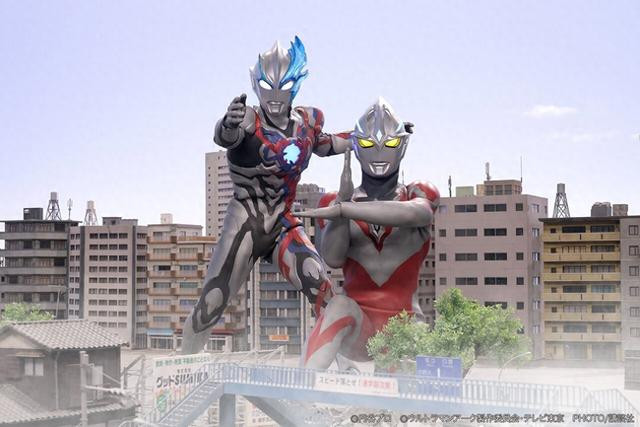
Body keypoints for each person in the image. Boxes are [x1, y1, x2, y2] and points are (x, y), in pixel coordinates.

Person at [181, 37, 351, 354]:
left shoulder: (307, 123)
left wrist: (367, 138)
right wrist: (227, 123)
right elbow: (226, 136)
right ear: (255, 83)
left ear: (295, 84)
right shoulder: (248, 119)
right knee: (211, 303)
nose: (274, 95)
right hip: (245, 220)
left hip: (283, 222)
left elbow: (329, 144)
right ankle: (182, 366)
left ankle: (338, 363)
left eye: (283, 86)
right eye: (266, 86)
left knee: (323, 291)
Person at [296, 98, 439, 369]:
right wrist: (342, 204)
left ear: (402, 145)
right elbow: (333, 258)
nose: (379, 152)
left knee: (399, 387)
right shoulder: (334, 202)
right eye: (368, 144)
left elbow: (418, 214)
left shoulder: (417, 193)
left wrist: (345, 210)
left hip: (405, 326)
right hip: (359, 326)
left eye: (390, 144)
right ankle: (301, 387)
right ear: (356, 147)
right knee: (338, 305)